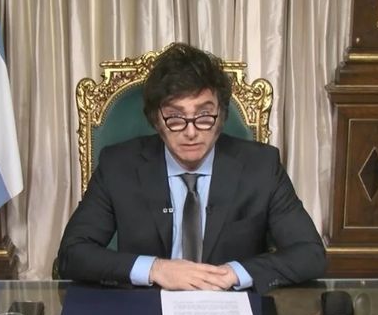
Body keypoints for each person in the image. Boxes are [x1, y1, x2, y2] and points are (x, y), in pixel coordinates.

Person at [57, 42, 325, 294]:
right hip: (145, 308)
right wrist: (155, 269)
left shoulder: (262, 167)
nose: (191, 132)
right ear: (156, 120)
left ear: (221, 115)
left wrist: (235, 273)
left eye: (204, 115)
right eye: (175, 117)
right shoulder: (118, 166)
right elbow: (72, 253)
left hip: (230, 306)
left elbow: (310, 254)